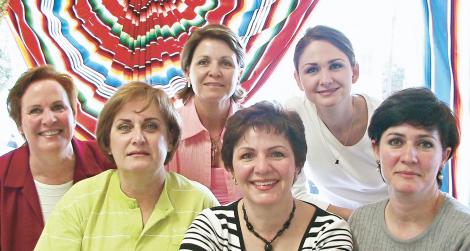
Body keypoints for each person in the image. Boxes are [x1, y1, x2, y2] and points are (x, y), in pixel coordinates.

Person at [34, 81, 218, 250]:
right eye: (124, 127)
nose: (138, 138)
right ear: (108, 142)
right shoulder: (79, 200)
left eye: (151, 126)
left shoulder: (200, 203)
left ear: (170, 139)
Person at [180, 101, 353, 251]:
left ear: (298, 165)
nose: (262, 168)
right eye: (247, 155)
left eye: (277, 154)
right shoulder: (211, 226)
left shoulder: (330, 230)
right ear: (231, 169)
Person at [0, 65, 114, 251]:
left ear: (74, 114)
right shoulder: (2, 175)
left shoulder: (110, 164)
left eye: (58, 107)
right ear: (19, 123)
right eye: (35, 110)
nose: (49, 119)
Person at [349, 87, 470, 250]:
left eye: (425, 144)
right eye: (395, 142)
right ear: (376, 149)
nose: (408, 157)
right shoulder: (359, 221)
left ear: (444, 156)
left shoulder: (464, 232)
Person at [286, 25, 387, 218]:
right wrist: (350, 218)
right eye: (312, 70)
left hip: (394, 220)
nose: (325, 79)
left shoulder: (385, 117)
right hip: (333, 223)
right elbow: (294, 193)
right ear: (298, 80)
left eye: (335, 66)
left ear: (354, 71)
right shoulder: (294, 115)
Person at [167, 24, 246, 204]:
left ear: (239, 74)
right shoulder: (166, 131)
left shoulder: (258, 128)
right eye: (203, 62)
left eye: (226, 63)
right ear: (187, 73)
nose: (215, 72)